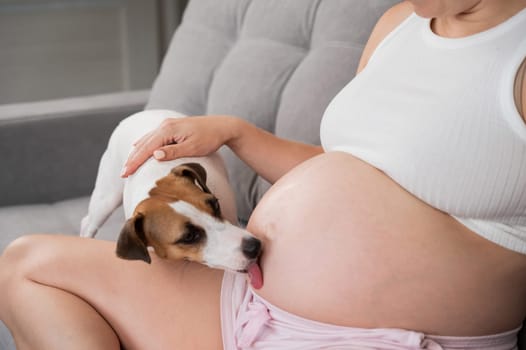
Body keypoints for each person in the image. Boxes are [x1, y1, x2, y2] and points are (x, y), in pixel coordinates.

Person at [1, 0, 526, 349]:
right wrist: (234, 133)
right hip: (248, 304)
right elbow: (352, 164)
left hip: (380, 335)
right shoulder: (397, 25)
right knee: (24, 265)